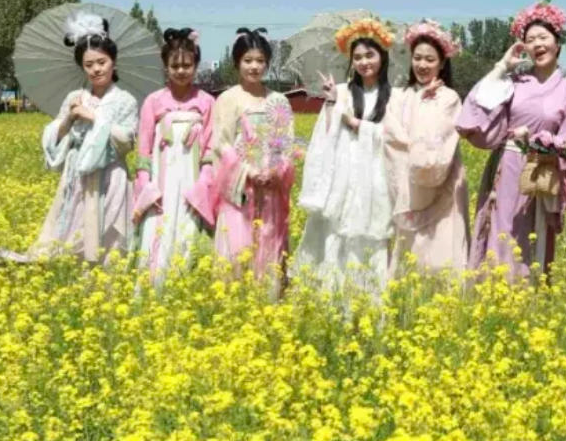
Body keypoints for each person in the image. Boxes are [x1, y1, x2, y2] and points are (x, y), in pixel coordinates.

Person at [456, 0, 566, 277]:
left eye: (543, 37)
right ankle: (495, 291)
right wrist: (502, 67)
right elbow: (474, 117)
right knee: (501, 232)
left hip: (541, 174)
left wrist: (543, 143)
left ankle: (527, 296)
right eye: (530, 39)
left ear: (558, 42)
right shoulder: (513, 83)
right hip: (507, 169)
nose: (537, 44)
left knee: (531, 242)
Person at [5, 12, 139, 264]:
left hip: (110, 174)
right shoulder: (74, 97)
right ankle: (68, 270)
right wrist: (69, 118)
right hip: (76, 173)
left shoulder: (125, 100)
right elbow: (54, 137)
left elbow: (126, 141)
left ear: (113, 61)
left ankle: (103, 274)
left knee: (106, 230)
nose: (96, 69)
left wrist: (94, 117)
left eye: (102, 62)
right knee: (71, 223)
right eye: (89, 65)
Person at [296, 17, 400, 291]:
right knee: (336, 233)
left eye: (370, 55)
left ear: (382, 57)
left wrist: (358, 125)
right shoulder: (341, 92)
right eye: (358, 57)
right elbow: (325, 135)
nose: (364, 62)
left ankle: (368, 298)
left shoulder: (395, 96)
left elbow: (395, 138)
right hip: (343, 177)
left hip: (375, 178)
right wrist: (332, 102)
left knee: (370, 234)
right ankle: (332, 298)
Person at [187, 28, 295, 291]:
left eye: (260, 61)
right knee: (237, 248)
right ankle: (234, 301)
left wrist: (275, 172)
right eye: (248, 60)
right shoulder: (227, 99)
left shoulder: (279, 100)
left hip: (269, 188)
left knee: (269, 245)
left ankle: (267, 300)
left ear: (268, 63)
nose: (254, 66)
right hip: (240, 191)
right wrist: (247, 172)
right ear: (237, 63)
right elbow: (221, 144)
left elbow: (286, 144)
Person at [383, 19, 470, 276]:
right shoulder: (399, 95)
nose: (422, 65)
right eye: (417, 58)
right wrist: (420, 100)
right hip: (406, 183)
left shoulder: (449, 98)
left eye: (430, 59)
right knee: (409, 253)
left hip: (443, 184)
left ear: (442, 63)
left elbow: (437, 141)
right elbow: (391, 135)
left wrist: (422, 105)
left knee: (441, 251)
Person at [132, 27, 214, 288]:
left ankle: (185, 287)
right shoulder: (153, 101)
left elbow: (211, 148)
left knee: (189, 227)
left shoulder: (207, 102)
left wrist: (204, 182)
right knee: (157, 227)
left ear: (196, 66)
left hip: (192, 181)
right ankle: (153, 286)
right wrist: (145, 184)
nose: (181, 71)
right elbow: (143, 148)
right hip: (161, 182)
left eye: (187, 65)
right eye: (174, 66)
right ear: (165, 67)